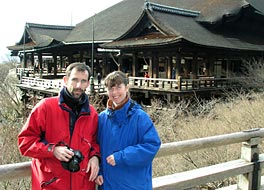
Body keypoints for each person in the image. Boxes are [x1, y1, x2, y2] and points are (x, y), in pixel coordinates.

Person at [18, 62, 100, 190]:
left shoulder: (92, 113)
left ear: (88, 83)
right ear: (65, 80)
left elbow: (95, 143)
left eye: (83, 81)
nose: (78, 85)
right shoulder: (46, 107)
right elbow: (25, 143)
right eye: (74, 80)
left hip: (82, 183)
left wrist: (95, 157)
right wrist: (52, 150)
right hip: (51, 183)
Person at [95, 71, 161, 190]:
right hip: (108, 184)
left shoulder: (140, 117)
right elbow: (95, 148)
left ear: (126, 88)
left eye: (118, 87)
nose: (115, 92)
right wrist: (98, 171)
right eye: (111, 88)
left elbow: (152, 145)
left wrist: (122, 157)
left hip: (133, 184)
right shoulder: (102, 118)